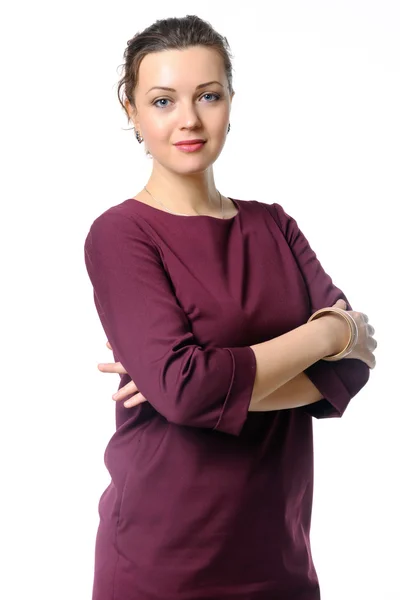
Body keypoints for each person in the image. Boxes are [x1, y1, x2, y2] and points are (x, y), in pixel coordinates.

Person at [83, 14, 377, 600]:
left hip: (282, 563)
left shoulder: (274, 225)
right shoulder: (121, 235)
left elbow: (353, 368)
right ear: (131, 111)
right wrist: (324, 336)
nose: (188, 119)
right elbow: (188, 389)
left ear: (230, 102)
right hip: (161, 565)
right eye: (163, 100)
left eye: (208, 96)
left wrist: (203, 383)